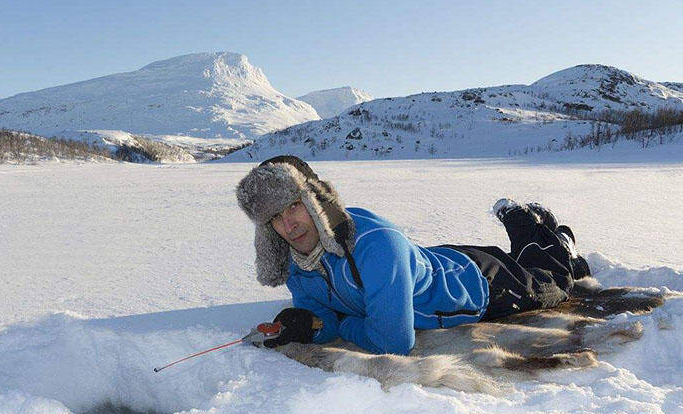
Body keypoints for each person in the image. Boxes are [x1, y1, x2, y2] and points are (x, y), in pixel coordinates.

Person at [236, 155, 591, 355]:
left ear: (314, 203)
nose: (289, 224)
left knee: (553, 283)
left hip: (477, 286)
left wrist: (343, 324)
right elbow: (324, 316)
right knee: (521, 261)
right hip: (434, 261)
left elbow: (393, 341)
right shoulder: (297, 264)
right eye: (275, 217)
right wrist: (307, 326)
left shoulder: (373, 244)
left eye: (294, 206)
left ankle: (548, 235)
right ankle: (524, 223)